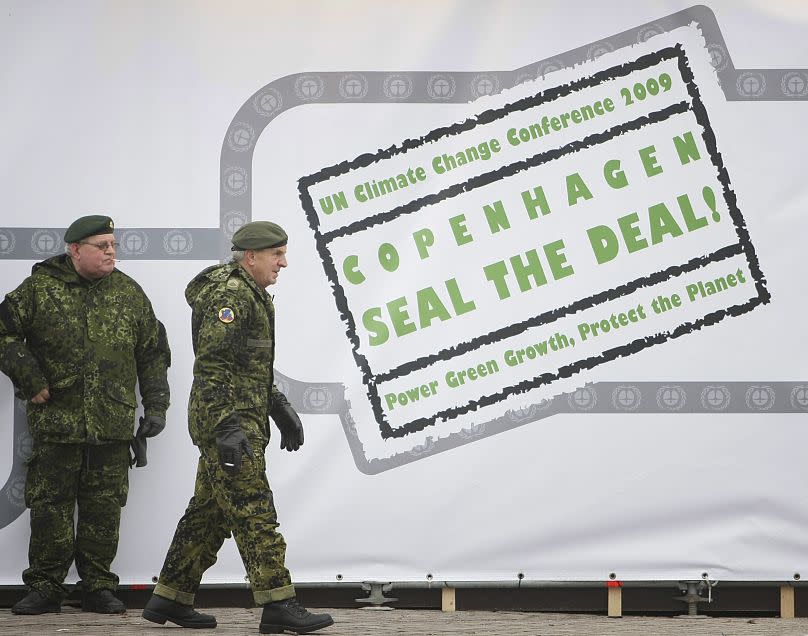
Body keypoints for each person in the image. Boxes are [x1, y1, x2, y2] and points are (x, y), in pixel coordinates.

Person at [142, 221, 333, 634]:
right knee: (253, 508)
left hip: (238, 417)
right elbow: (213, 365)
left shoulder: (253, 294)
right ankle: (279, 601)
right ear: (251, 256)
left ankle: (169, 596)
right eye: (277, 254)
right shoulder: (230, 296)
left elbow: (249, 366)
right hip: (225, 420)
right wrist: (227, 426)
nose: (284, 262)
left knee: (209, 512)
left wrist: (278, 407)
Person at [0, 215, 171, 615]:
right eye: (102, 245)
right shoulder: (40, 290)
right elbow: (3, 331)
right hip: (57, 423)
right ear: (75, 250)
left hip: (111, 424)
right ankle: (46, 587)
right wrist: (29, 377)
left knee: (104, 507)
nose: (111, 252)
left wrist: (157, 405)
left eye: (113, 244)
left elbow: (152, 352)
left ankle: (97, 586)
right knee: (50, 506)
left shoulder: (128, 293)